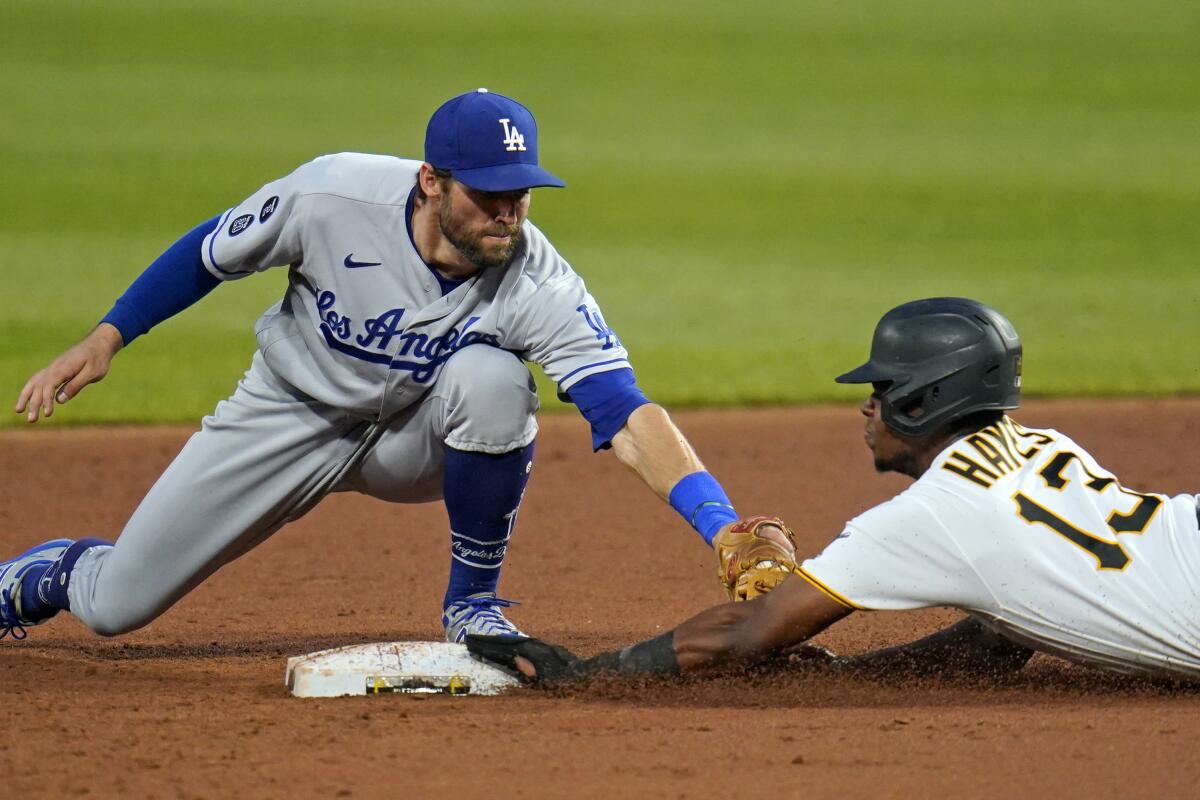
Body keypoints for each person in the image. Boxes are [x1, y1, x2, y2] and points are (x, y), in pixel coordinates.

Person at [1, 89, 786, 644]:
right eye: (488, 196)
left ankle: (472, 603)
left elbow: (622, 409)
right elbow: (211, 252)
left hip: (413, 439)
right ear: (431, 182)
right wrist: (109, 336)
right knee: (114, 607)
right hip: (287, 413)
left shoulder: (537, 279)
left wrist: (722, 523)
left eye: (522, 195)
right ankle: (44, 574)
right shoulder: (329, 195)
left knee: (494, 380)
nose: (508, 215)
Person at [466, 297, 1200, 684]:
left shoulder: (929, 515)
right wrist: (852, 674)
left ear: (927, 401)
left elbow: (744, 633)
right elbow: (998, 638)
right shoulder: (1044, 445)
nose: (867, 407)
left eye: (882, 390)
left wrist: (593, 677)